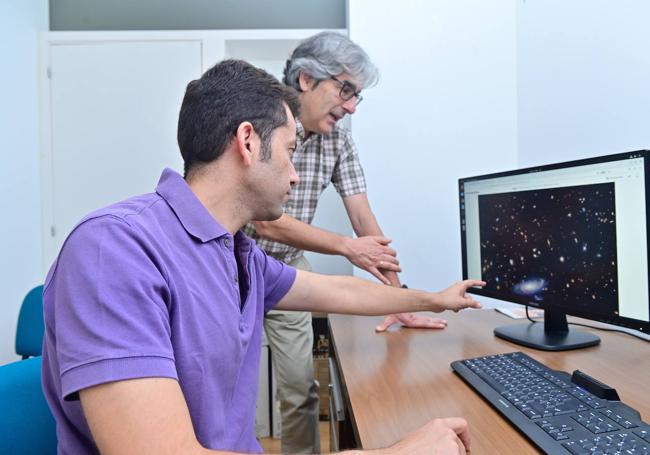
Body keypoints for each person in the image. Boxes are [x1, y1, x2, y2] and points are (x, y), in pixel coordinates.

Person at [41, 59, 483, 455]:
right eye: (291, 151)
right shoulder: (114, 250)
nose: (295, 174)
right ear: (248, 142)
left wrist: (433, 299)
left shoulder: (238, 254)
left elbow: (338, 290)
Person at [243, 32, 447, 453]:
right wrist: (345, 247)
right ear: (305, 79)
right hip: (231, 266)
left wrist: (400, 299)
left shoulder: (339, 140)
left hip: (288, 267)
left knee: (301, 392)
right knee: (231, 392)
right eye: (345, 89)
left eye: (357, 95)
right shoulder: (261, 123)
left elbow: (363, 221)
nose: (352, 105)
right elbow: (265, 223)